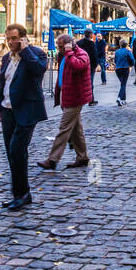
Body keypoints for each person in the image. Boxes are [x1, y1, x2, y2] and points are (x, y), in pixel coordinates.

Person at [0, 23, 48, 210]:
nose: (10, 42)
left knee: (17, 150)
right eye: (8, 38)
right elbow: (2, 82)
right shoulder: (6, 58)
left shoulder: (36, 53)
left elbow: (39, 69)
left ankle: (22, 194)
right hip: (7, 110)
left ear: (23, 38)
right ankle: (20, 193)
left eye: (14, 39)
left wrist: (25, 50)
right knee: (12, 154)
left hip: (27, 111)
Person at [38, 33, 91, 170]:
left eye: (61, 47)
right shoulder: (66, 55)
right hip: (67, 95)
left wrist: (68, 53)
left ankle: (53, 159)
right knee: (76, 130)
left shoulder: (80, 54)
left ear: (69, 44)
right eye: (58, 46)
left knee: (64, 128)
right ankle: (82, 157)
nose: (59, 49)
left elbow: (78, 66)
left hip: (76, 97)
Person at [113, 39, 134, 107]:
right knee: (123, 84)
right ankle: (119, 98)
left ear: (120, 45)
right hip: (125, 68)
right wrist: (131, 65)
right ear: (126, 45)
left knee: (122, 84)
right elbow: (132, 59)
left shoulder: (117, 52)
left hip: (118, 69)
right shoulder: (128, 51)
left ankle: (123, 99)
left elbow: (115, 61)